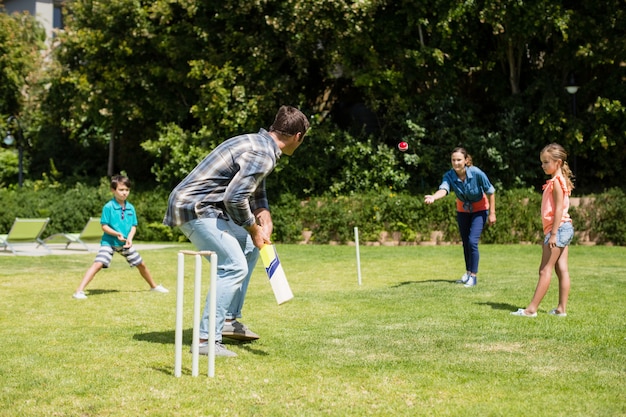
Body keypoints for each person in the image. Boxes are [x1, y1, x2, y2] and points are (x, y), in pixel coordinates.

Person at [164, 105, 310, 357]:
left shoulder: (260, 144)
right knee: (233, 266)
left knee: (252, 246)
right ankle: (204, 340)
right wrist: (253, 227)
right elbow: (234, 198)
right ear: (298, 136)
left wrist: (263, 210)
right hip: (194, 207)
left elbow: (253, 186)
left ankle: (229, 320)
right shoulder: (264, 153)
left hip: (202, 206)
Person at [73, 175, 169, 299]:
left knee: (141, 264)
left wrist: (129, 239)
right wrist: (116, 234)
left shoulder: (131, 208)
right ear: (113, 190)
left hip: (124, 244)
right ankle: (79, 291)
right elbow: (104, 226)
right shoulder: (108, 207)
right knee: (98, 264)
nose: (124, 193)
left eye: (127, 190)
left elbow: (133, 226)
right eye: (121, 190)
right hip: (109, 242)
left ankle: (154, 286)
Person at [511, 143, 574, 317]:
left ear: (558, 162)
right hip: (564, 228)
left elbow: (559, 209)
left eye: (546, 162)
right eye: (542, 162)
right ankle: (561, 309)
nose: (543, 165)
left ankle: (531, 310)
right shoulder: (559, 181)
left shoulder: (556, 182)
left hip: (559, 230)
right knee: (562, 269)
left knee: (545, 269)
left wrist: (553, 234)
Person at [424, 147, 496, 287]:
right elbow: (444, 189)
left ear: (466, 160)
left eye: (459, 160)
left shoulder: (476, 172)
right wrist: (434, 197)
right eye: (453, 160)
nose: (456, 163)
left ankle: (473, 277)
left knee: (472, 242)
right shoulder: (449, 175)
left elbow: (491, 191)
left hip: (480, 209)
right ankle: (468, 273)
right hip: (462, 210)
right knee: (465, 242)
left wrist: (492, 213)